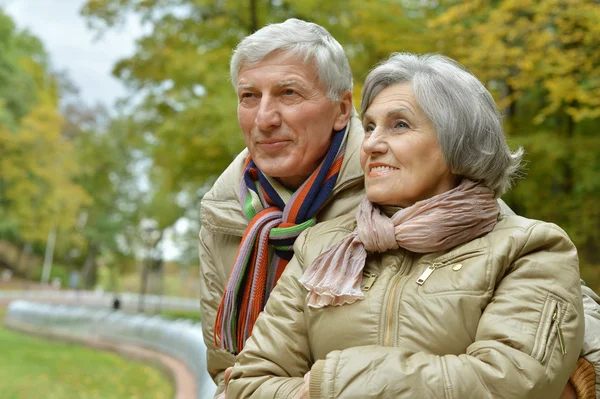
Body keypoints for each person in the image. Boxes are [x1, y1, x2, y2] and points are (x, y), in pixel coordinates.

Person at [199, 19, 600, 398]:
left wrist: (332, 383)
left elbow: (523, 363)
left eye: (289, 93)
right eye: (249, 96)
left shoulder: (513, 241)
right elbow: (237, 377)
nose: (265, 118)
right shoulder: (246, 217)